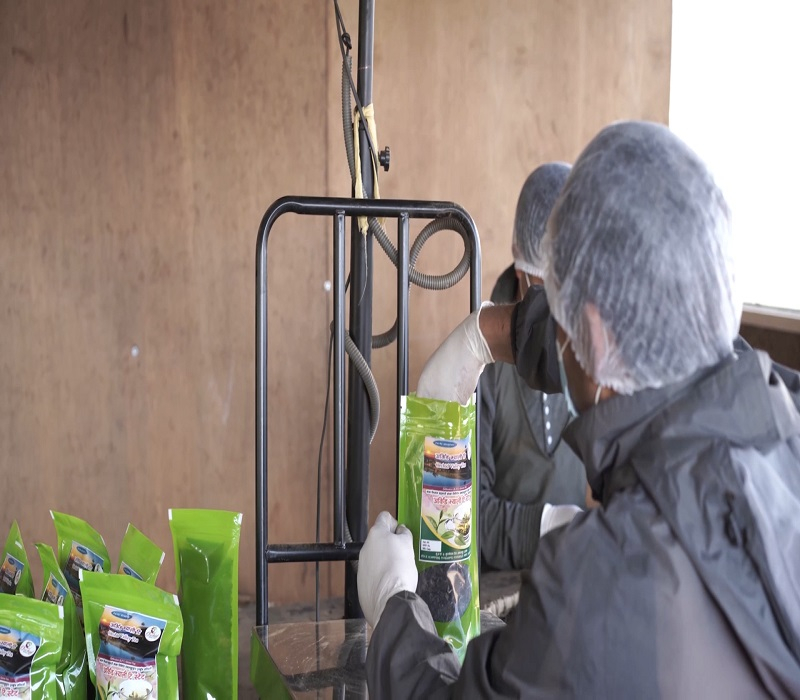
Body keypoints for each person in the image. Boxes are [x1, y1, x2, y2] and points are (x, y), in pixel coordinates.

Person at [357, 121, 800, 697]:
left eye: (559, 310)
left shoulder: (601, 579)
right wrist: (494, 330)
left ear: (590, 329)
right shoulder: (782, 421)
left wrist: (392, 604)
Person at [480, 162, 585, 572]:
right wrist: (551, 527)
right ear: (522, 271)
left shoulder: (593, 345)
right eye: (548, 292)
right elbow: (464, 516)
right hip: (501, 587)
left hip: (577, 573)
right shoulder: (480, 359)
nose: (560, 314)